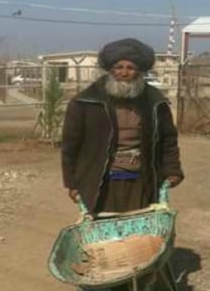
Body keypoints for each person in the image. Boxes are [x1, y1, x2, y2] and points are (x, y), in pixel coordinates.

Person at [61, 38, 184, 216]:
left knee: (138, 230)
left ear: (139, 72)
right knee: (103, 235)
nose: (124, 73)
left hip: (142, 179)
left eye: (131, 68)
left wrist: (173, 169)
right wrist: (72, 183)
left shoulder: (155, 102)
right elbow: (70, 145)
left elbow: (168, 140)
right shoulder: (85, 102)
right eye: (119, 67)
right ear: (110, 69)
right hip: (99, 180)